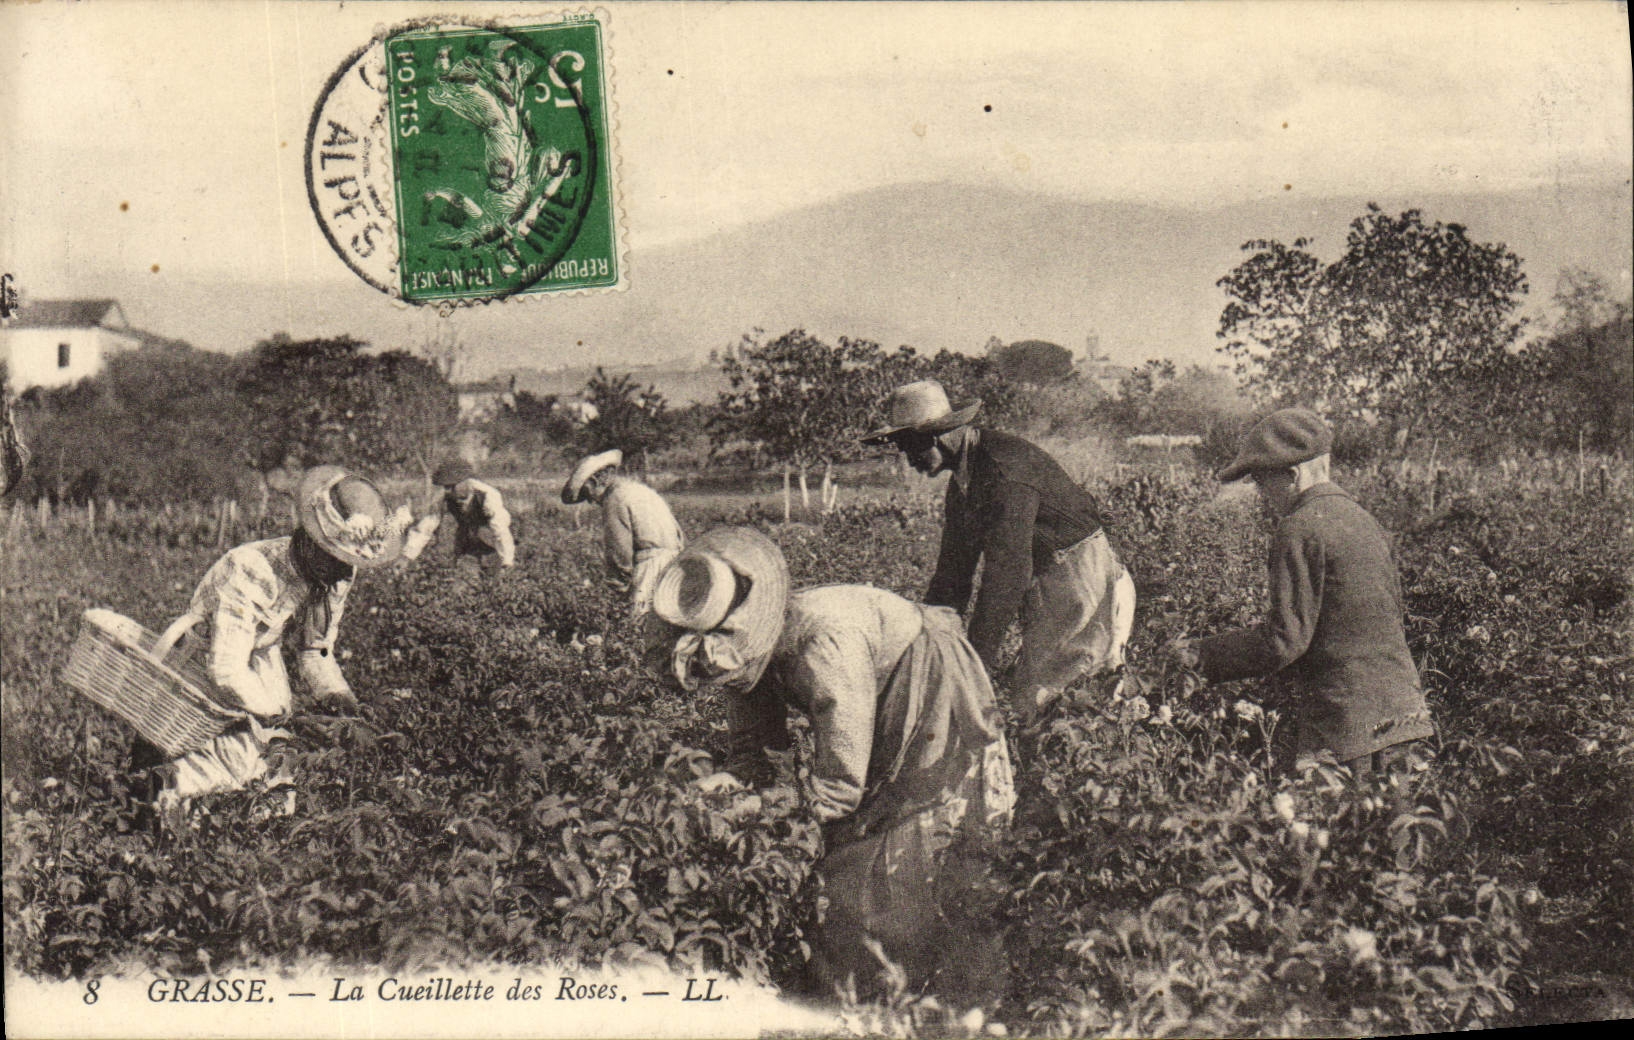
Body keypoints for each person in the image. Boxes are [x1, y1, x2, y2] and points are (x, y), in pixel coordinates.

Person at [646, 527, 1015, 1003]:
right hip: (879, 704)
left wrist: (759, 811)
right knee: (863, 860)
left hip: (928, 690)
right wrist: (730, 785)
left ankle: (933, 992)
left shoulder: (822, 646)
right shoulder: (749, 656)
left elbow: (841, 787)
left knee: (919, 841)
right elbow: (754, 753)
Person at [1165, 408, 1436, 780]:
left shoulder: (1299, 528)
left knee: (1331, 831)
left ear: (1292, 476)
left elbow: (1284, 641)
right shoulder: (1363, 519)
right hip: (1405, 716)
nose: (1263, 496)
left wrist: (1200, 656)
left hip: (1348, 729)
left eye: (1262, 483)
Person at [863, 380, 1136, 725]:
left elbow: (1006, 577)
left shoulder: (1003, 472)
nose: (909, 460)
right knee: (1034, 698)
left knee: (1064, 698)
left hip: (1081, 577)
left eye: (911, 447)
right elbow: (952, 576)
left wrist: (974, 667)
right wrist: (928, 643)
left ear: (940, 436)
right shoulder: (963, 483)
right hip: (1049, 580)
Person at [133, 466, 406, 807]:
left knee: (278, 758)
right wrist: (279, 715)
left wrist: (342, 702)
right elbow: (225, 668)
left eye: (347, 562)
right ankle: (170, 785)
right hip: (208, 653)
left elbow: (315, 650)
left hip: (261, 649)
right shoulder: (252, 569)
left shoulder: (336, 575)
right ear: (310, 542)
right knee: (251, 751)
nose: (342, 570)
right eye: (334, 557)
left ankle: (262, 823)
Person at [562, 449, 684, 617]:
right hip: (675, 566)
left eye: (586, 492)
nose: (590, 500)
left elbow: (619, 553)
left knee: (638, 624)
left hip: (649, 569)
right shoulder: (639, 490)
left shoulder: (614, 498)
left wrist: (616, 592)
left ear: (596, 480)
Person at [400, 459, 516, 571]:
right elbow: (425, 527)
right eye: (445, 487)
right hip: (469, 545)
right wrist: (407, 556)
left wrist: (507, 562)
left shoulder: (488, 495)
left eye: (451, 486)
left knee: (495, 583)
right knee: (463, 581)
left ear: (466, 481)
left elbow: (500, 530)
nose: (447, 491)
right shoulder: (444, 498)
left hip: (496, 546)